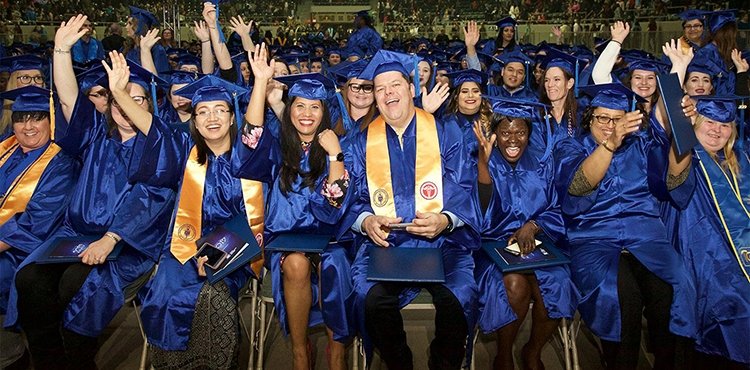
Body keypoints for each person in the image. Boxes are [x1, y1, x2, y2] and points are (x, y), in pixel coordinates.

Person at [7, 16, 174, 370]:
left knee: (74, 287)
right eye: (118, 100)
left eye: (137, 99)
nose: (126, 106)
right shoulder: (98, 135)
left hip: (127, 244)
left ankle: (79, 359)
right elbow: (69, 101)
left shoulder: (161, 144)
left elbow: (149, 200)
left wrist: (110, 239)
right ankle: (49, 361)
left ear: (148, 104)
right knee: (30, 279)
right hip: (75, 236)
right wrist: (62, 51)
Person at [344, 50, 481, 369]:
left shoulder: (447, 133)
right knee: (370, 297)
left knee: (459, 296)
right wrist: (365, 223)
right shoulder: (360, 142)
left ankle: (443, 362)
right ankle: (398, 361)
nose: (388, 92)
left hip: (444, 245)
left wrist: (446, 220)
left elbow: (465, 186)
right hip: (386, 245)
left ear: (411, 89)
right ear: (376, 98)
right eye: (380, 88)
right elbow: (349, 198)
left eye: (395, 84)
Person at [554, 69, 696, 369]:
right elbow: (578, 186)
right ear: (588, 119)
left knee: (676, 286)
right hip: (594, 239)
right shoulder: (570, 147)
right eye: (602, 118)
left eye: (617, 119)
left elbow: (673, 181)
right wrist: (609, 145)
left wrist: (683, 133)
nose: (609, 125)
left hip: (646, 237)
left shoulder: (641, 145)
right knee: (621, 297)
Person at [129, 70, 264, 368]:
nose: (211, 118)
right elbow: (154, 129)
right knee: (163, 294)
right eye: (202, 111)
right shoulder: (183, 154)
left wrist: (214, 254)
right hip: (182, 248)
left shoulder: (250, 159)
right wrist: (121, 94)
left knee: (212, 297)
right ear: (194, 120)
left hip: (234, 254)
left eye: (220, 110)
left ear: (232, 117)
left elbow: (251, 220)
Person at [233, 45, 354, 370]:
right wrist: (260, 83)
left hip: (331, 240)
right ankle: (300, 353)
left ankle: (337, 352)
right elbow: (250, 139)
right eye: (299, 105)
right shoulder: (278, 146)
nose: (307, 113)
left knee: (334, 264)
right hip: (285, 240)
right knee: (297, 265)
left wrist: (334, 157)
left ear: (324, 113)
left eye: (315, 107)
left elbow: (335, 202)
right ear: (289, 110)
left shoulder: (337, 147)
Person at [472, 97, 578, 370]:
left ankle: (533, 350)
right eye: (505, 132)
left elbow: (557, 207)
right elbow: (476, 211)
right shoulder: (483, 161)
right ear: (495, 134)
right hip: (493, 248)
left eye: (520, 132)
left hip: (539, 244)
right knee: (515, 286)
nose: (513, 140)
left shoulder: (542, 164)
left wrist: (533, 225)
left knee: (558, 284)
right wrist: (483, 166)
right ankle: (504, 354)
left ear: (529, 134)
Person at [0, 86, 80, 370]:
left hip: (24, 248)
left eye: (37, 118)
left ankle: (12, 354)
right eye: (21, 119)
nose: (28, 126)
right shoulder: (5, 150)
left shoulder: (60, 163)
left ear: (51, 121)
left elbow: (37, 221)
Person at [668, 96, 750, 369]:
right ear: (695, 123)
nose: (717, 130)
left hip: (735, 255)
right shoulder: (686, 158)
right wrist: (681, 129)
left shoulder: (742, 159)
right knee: (730, 298)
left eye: (725, 124)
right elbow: (675, 181)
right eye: (710, 122)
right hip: (702, 253)